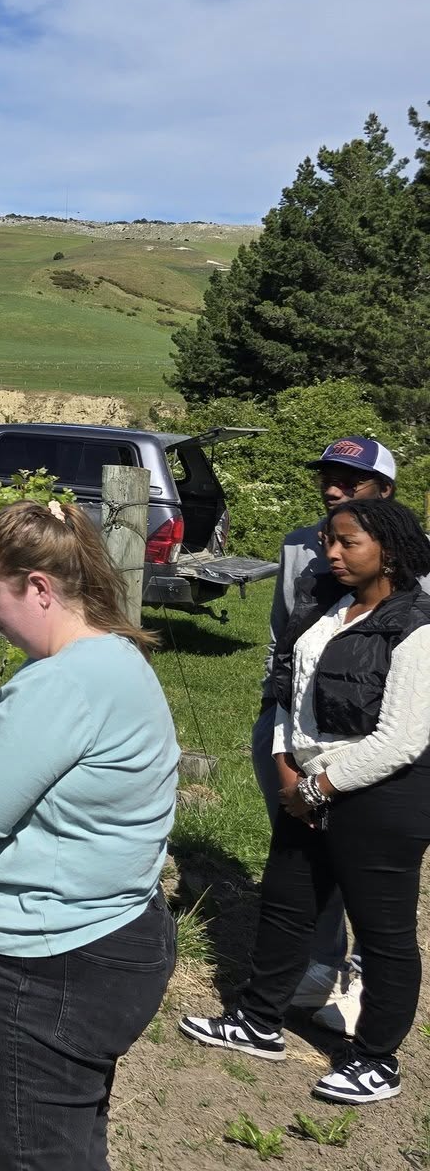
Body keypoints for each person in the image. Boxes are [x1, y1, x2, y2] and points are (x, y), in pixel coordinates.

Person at [0, 498, 179, 1170]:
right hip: (106, 932)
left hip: (46, 967)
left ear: (39, 588)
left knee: (32, 1153)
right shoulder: (113, 660)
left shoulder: (64, 685)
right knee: (66, 1131)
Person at [181, 498, 430, 1106]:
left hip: (383, 797)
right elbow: (293, 692)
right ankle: (258, 1022)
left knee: (384, 930)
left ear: (389, 551)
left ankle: (376, 1060)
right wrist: (286, 761)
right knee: (288, 906)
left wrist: (317, 787)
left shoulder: (418, 627)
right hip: (309, 786)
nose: (332, 554)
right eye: (329, 541)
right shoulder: (330, 608)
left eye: (348, 543)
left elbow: (401, 739)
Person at [253, 436, 406, 1034]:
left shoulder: (414, 562)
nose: (334, 487)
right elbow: (281, 636)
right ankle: (319, 960)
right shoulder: (299, 546)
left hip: (371, 732)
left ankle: (365, 971)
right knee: (302, 837)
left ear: (385, 492)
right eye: (329, 476)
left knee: (361, 850)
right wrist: (275, 721)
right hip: (292, 722)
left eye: (352, 479)